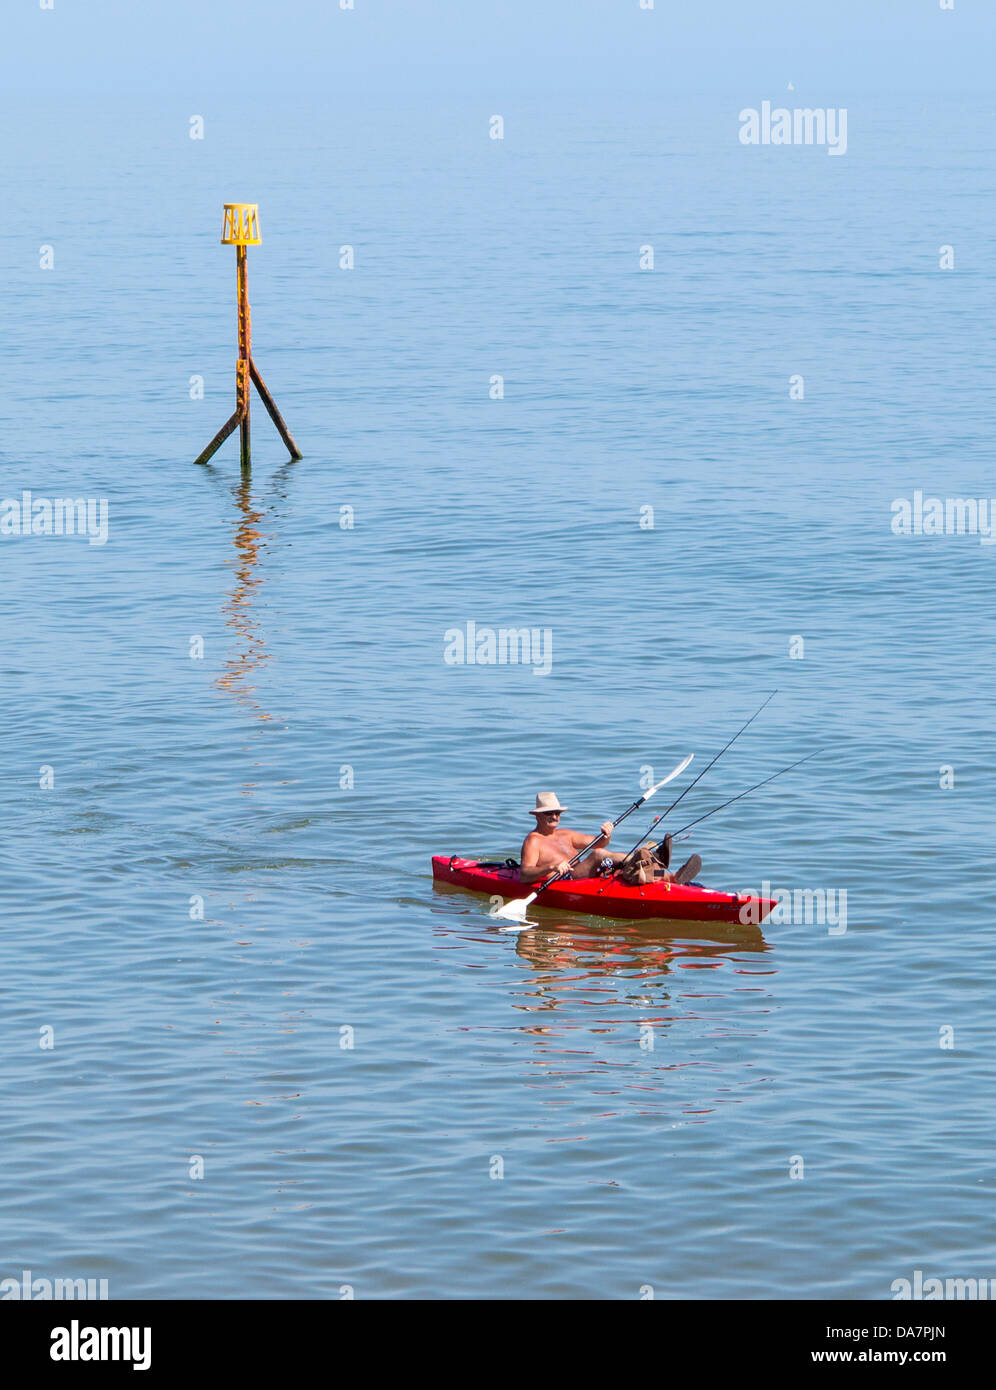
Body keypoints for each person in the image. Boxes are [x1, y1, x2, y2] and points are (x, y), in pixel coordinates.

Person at [519, 793, 701, 885]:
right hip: (565, 880)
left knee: (620, 870)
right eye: (549, 813)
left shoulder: (565, 834)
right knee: (599, 855)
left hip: (586, 875)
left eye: (557, 812)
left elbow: (600, 843)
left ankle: (669, 877)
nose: (555, 816)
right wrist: (552, 867)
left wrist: (607, 834)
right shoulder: (533, 841)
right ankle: (647, 859)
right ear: (538, 816)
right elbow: (524, 875)